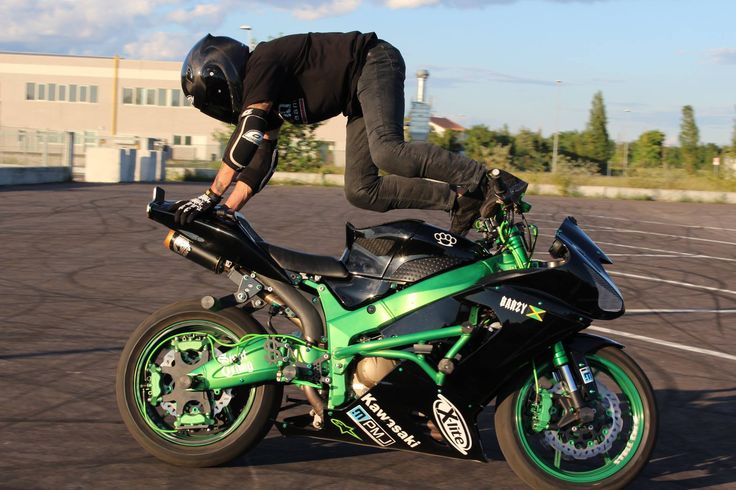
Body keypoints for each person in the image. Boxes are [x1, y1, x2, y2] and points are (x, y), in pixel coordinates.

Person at [173, 32, 494, 234]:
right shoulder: (265, 98)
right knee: (360, 189)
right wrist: (226, 212)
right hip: (355, 97)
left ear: (223, 77)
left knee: (387, 150)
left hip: (373, 62)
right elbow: (261, 162)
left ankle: (486, 180)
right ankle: (458, 201)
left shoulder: (262, 63)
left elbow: (249, 132)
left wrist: (210, 196)